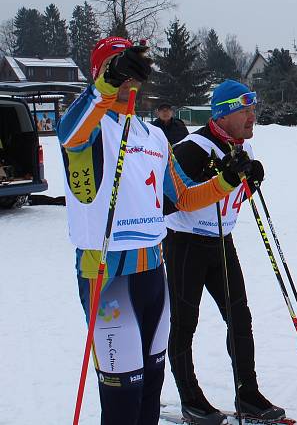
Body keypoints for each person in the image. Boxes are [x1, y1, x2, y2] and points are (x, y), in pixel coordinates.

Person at [57, 37, 252, 425]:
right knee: (122, 396)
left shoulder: (154, 136)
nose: (127, 75)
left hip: (152, 273)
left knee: (150, 387)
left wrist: (228, 182)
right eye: (115, 65)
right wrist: (107, 83)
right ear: (100, 72)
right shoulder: (89, 128)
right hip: (107, 274)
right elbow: (69, 131)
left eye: (129, 65)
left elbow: (181, 197)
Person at [163, 79, 281, 424]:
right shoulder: (192, 147)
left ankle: (248, 392)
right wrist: (214, 181)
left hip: (221, 242)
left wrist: (250, 185)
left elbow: (231, 200)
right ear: (224, 114)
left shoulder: (241, 147)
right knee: (185, 323)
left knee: (240, 317)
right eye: (245, 110)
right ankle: (190, 397)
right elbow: (171, 202)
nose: (252, 117)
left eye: (253, 109)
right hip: (185, 243)